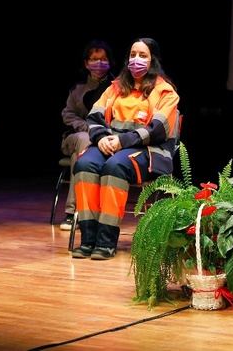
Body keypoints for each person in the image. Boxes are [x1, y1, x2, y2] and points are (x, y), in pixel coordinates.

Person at [71, 38, 179, 260]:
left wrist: (122, 141)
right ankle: (88, 239)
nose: (136, 60)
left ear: (153, 60)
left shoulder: (165, 91)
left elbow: (157, 130)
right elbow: (94, 115)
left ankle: (106, 241)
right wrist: (100, 137)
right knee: (85, 164)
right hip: (111, 144)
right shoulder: (116, 87)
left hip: (149, 150)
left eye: (143, 55)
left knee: (114, 166)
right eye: (133, 55)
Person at [58, 40, 115, 230]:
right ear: (86, 63)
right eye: (94, 59)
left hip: (104, 139)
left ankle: (76, 213)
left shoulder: (116, 87)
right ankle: (80, 211)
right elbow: (68, 114)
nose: (99, 63)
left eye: (103, 59)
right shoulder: (78, 88)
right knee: (84, 142)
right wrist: (88, 128)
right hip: (76, 136)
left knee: (80, 156)